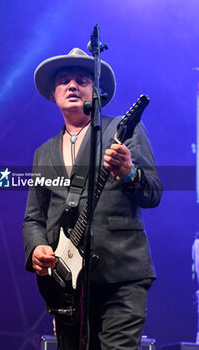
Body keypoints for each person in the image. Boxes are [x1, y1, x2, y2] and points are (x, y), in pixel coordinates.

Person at [23, 48, 162, 350]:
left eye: (82, 80)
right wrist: (37, 247)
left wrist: (128, 174)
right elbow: (34, 217)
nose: (72, 85)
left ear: (96, 91)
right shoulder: (43, 153)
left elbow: (153, 192)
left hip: (121, 274)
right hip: (67, 283)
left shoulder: (124, 131)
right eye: (64, 80)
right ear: (53, 93)